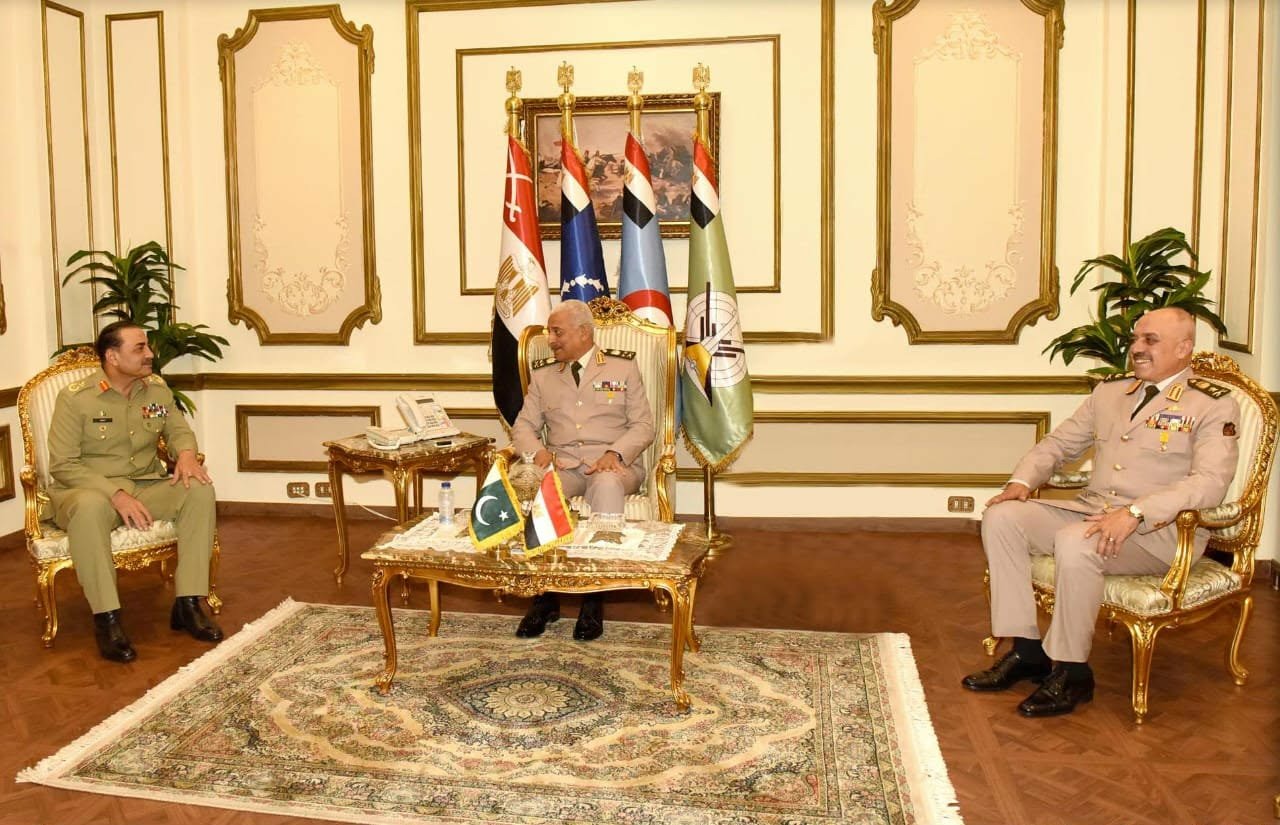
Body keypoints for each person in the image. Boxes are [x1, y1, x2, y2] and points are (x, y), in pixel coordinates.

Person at [963, 307, 1240, 716]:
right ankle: (1028, 652)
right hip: (1093, 510)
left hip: (1157, 532)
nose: (1137, 348)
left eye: (1150, 340)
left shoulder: (1212, 404)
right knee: (1002, 517)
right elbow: (1059, 445)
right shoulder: (1111, 393)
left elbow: (1210, 482)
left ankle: (1073, 672)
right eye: (1136, 339)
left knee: (1077, 541)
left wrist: (1136, 511)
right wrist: (1020, 482)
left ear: (1184, 349)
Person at [48, 321, 223, 663]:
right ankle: (107, 619)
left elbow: (178, 431)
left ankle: (187, 604)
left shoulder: (156, 389)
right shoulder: (75, 399)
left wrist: (186, 455)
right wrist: (114, 494)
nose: (150, 354)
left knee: (199, 490)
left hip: (144, 484)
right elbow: (63, 465)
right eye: (140, 348)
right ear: (112, 357)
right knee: (89, 509)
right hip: (89, 490)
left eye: (148, 346)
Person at [510, 299, 655, 640]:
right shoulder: (544, 374)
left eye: (557, 332)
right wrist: (539, 452)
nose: (551, 340)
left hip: (614, 466)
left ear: (584, 333)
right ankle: (545, 597)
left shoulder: (622, 368)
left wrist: (614, 453)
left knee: (606, 485)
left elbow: (644, 425)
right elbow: (523, 426)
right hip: (564, 465)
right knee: (541, 487)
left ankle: (593, 599)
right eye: (549, 332)